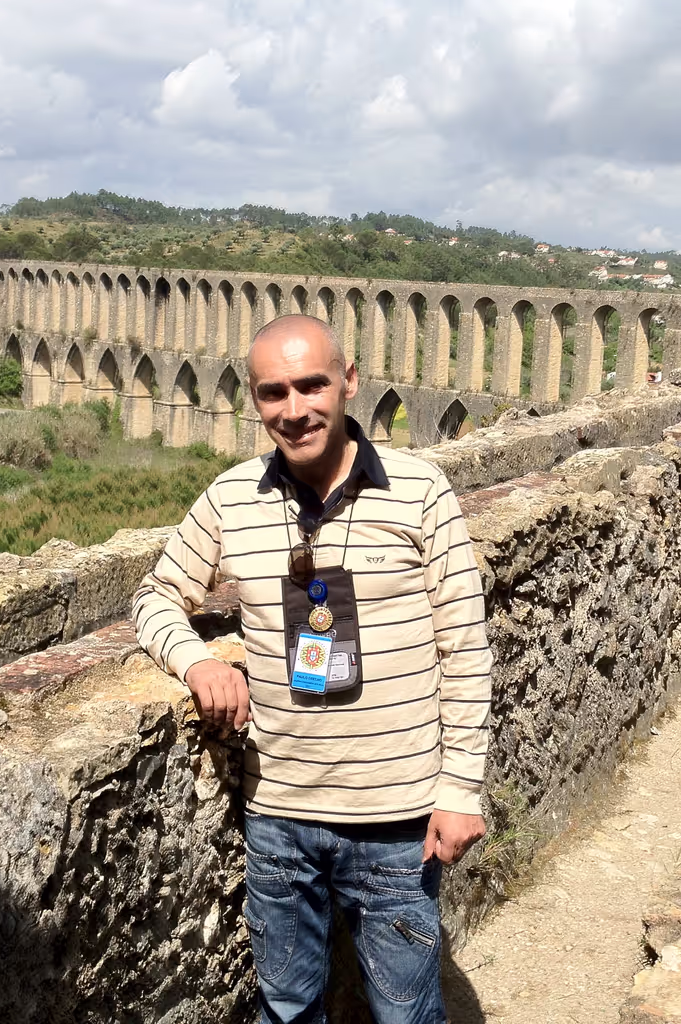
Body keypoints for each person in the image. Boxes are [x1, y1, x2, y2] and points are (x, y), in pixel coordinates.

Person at [133, 314, 492, 1024]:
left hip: (396, 819)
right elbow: (153, 596)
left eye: (311, 385)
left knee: (406, 1012)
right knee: (288, 1008)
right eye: (273, 392)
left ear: (349, 382)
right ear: (254, 400)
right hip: (278, 818)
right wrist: (197, 660)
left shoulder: (420, 492)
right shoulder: (232, 498)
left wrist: (460, 789)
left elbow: (465, 648)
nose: (294, 409)